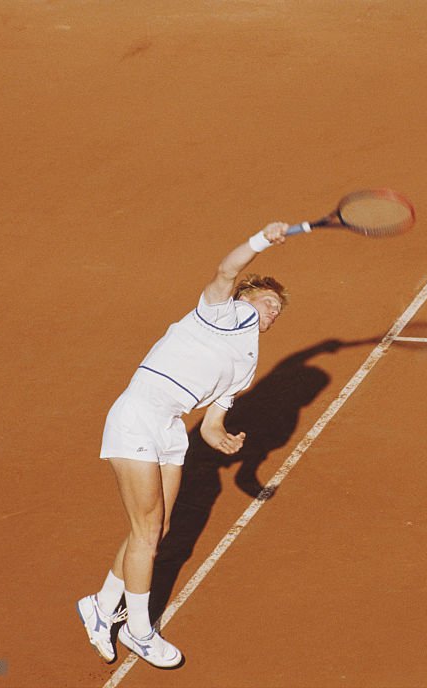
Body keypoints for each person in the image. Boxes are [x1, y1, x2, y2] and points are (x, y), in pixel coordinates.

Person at [76, 222, 291, 668]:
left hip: (171, 429)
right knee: (147, 530)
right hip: (138, 415)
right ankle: (139, 630)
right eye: (268, 302)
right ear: (246, 296)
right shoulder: (219, 312)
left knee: (157, 529)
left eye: (277, 312)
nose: (272, 313)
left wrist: (229, 445)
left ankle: (100, 605)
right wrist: (259, 241)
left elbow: (212, 423)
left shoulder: (245, 363)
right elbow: (226, 270)